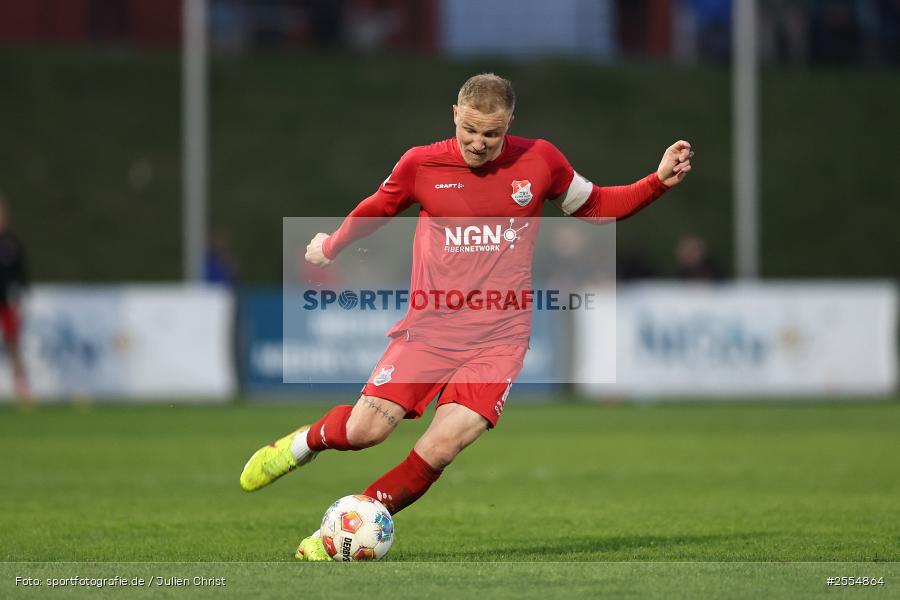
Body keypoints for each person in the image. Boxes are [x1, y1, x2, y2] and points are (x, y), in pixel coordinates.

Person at [239, 73, 693, 560]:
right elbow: (379, 207)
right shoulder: (421, 163)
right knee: (365, 433)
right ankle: (303, 445)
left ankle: (341, 534)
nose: (478, 143)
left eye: (491, 134)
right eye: (470, 130)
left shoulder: (540, 160)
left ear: (509, 125)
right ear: (454, 114)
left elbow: (597, 205)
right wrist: (331, 245)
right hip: (430, 330)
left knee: (442, 446)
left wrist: (657, 181)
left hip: (500, 337)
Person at [0, 196, 30, 400]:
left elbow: (21, 275)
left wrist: (19, 299)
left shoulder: (11, 242)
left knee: (13, 343)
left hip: (7, 302)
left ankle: (22, 389)